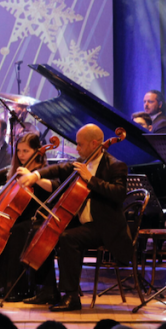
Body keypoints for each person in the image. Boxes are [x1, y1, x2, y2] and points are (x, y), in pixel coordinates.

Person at [18, 124, 130, 312]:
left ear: (94, 143)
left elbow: (119, 194)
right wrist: (35, 175)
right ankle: (47, 289)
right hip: (83, 223)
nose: (76, 148)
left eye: (80, 144)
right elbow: (57, 169)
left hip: (104, 226)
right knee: (42, 228)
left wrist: (90, 179)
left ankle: (71, 296)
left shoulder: (115, 165)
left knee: (68, 238)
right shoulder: (82, 162)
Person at [0, 131, 55, 300]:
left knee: (15, 233)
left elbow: (54, 186)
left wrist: (34, 177)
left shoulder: (44, 171)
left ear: (37, 151)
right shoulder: (14, 170)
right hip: (15, 219)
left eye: (25, 151)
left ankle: (14, 287)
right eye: (19, 151)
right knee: (1, 232)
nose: (21, 155)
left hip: (36, 220)